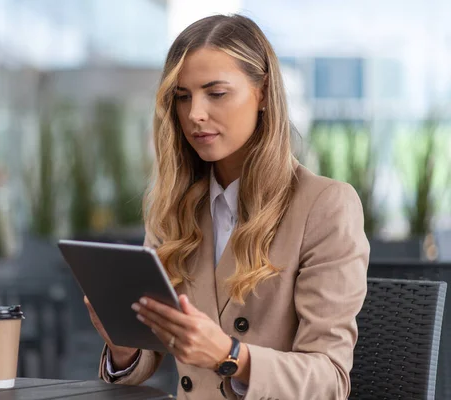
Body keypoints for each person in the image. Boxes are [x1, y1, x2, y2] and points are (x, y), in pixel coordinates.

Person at [84, 13, 369, 400]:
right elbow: (148, 358)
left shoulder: (324, 205)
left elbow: (330, 380)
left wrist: (229, 355)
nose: (194, 114)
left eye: (215, 93)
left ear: (264, 93)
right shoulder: (173, 208)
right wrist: (122, 345)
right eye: (182, 97)